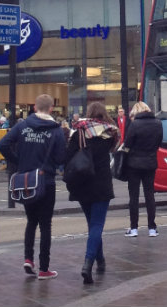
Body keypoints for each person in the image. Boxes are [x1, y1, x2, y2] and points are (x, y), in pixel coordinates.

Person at [0, 93, 67, 280]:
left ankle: (28, 258)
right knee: (46, 225)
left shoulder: (22, 126)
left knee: (31, 222)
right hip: (46, 182)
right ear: (51, 108)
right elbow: (61, 158)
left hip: (27, 181)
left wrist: (18, 161)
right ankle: (44, 269)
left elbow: (3, 144)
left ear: (35, 108)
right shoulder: (56, 130)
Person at [65, 100, 118, 284]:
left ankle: (100, 261)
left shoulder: (78, 132)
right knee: (96, 225)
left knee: (93, 225)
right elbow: (114, 148)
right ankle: (88, 264)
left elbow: (67, 156)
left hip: (82, 184)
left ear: (88, 112)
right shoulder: (109, 133)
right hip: (102, 184)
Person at [123, 100, 162, 237]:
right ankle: (152, 228)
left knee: (133, 197)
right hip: (150, 163)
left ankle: (134, 228)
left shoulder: (135, 125)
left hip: (134, 164)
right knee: (149, 195)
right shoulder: (158, 124)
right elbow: (159, 142)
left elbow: (127, 144)